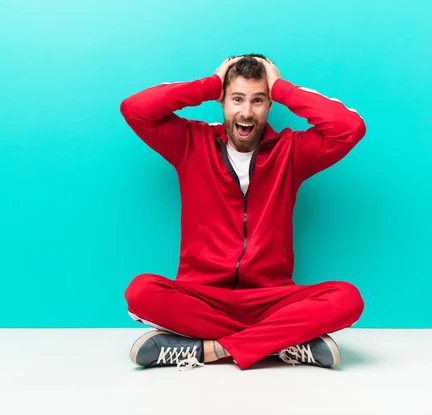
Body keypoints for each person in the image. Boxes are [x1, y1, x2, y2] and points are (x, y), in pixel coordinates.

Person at [119, 54, 366, 371]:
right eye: (237, 98)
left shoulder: (291, 151)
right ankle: (284, 343)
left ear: (270, 103)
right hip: (202, 298)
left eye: (259, 99)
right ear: (221, 100)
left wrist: (282, 88)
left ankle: (207, 350)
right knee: (141, 293)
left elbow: (349, 128)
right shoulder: (190, 142)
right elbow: (135, 109)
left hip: (271, 300)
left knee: (347, 299)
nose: (246, 112)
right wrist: (208, 85)